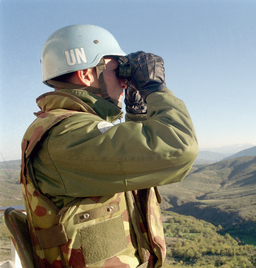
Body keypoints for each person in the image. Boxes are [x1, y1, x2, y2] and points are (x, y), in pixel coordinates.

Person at [19, 24, 198, 268]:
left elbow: (127, 166)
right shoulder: (66, 135)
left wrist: (138, 113)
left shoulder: (73, 129)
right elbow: (179, 146)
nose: (125, 82)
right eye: (118, 71)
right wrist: (154, 89)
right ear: (86, 74)